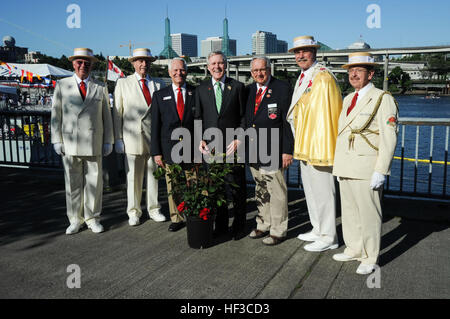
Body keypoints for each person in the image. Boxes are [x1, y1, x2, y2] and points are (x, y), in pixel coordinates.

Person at [332, 52, 398, 275]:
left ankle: (370, 257)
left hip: (366, 167)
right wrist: (337, 164)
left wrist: (381, 169)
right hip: (346, 164)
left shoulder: (382, 98)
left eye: (359, 70)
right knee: (349, 211)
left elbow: (389, 137)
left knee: (369, 215)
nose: (353, 74)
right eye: (351, 70)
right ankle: (354, 248)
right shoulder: (349, 98)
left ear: (370, 74)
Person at [286, 36, 342, 252]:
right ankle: (318, 229)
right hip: (304, 143)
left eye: (305, 51)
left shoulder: (323, 78)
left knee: (324, 192)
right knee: (311, 191)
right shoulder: (304, 77)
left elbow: (328, 115)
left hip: (318, 145)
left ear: (314, 53)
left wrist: (325, 146)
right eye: (297, 52)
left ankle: (329, 236)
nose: (300, 56)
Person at [51, 47, 114, 234]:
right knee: (72, 183)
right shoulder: (62, 85)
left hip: (94, 140)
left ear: (92, 65)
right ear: (73, 63)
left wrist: (108, 140)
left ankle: (93, 218)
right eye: (79, 62)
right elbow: (56, 115)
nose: (83, 66)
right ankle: (74, 219)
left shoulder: (100, 87)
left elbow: (107, 117)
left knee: (95, 183)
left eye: (87, 63)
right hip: (70, 142)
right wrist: (57, 139)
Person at [195, 51, 247, 240]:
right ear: (208, 67)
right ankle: (222, 225)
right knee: (216, 188)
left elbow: (243, 117)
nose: (217, 67)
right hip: (211, 148)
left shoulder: (238, 87)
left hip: (233, 147)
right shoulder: (201, 89)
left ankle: (240, 225)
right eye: (213, 64)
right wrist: (200, 138)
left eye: (220, 63)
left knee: (237, 188)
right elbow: (198, 117)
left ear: (226, 65)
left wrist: (239, 137)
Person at [112, 48, 166, 226]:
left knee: (154, 177)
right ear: (133, 63)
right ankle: (133, 211)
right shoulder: (123, 83)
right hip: (132, 137)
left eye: (147, 61)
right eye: (140, 61)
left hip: (154, 139)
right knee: (133, 178)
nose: (144, 64)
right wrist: (118, 138)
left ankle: (154, 208)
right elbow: (117, 113)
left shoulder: (158, 84)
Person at [245, 56, 294, 246]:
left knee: (277, 192)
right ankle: (263, 224)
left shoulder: (282, 89)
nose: (259, 73)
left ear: (269, 69)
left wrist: (287, 151)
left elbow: (287, 122)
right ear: (251, 73)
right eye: (255, 71)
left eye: (262, 69)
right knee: (260, 190)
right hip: (254, 149)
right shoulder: (248, 91)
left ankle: (278, 230)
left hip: (274, 148)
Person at [145, 57, 195, 232]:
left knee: (192, 182)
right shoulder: (159, 96)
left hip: (191, 148)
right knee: (173, 185)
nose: (178, 73)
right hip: (168, 149)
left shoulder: (194, 92)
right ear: (169, 72)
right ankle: (177, 217)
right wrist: (156, 152)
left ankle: (193, 214)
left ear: (186, 72)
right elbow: (155, 126)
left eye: (181, 70)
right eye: (175, 70)